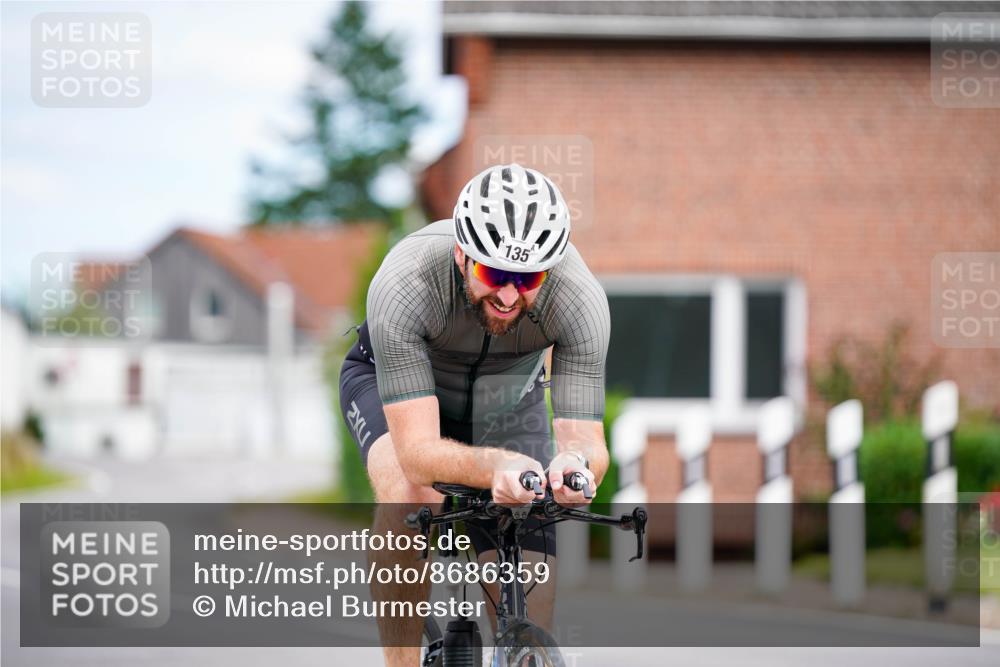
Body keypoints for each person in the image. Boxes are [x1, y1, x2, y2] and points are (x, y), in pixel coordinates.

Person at [339, 163, 610, 666]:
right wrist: (495, 468)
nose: (509, 296)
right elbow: (419, 455)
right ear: (462, 254)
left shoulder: (579, 302)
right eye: (493, 274)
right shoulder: (405, 283)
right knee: (409, 492)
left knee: (531, 522)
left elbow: (586, 441)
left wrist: (574, 470)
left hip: (505, 399)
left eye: (527, 279)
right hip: (396, 392)